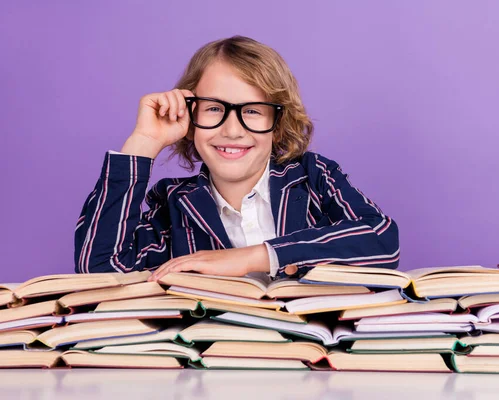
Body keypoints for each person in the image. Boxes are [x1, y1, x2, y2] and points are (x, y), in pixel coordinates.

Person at [74, 35, 399, 281]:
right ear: (189, 118)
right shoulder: (173, 203)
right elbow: (100, 269)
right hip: (215, 364)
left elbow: (381, 239)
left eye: (253, 111)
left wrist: (255, 257)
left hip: (309, 361)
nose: (232, 130)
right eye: (215, 109)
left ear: (278, 122)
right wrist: (143, 143)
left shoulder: (314, 176)